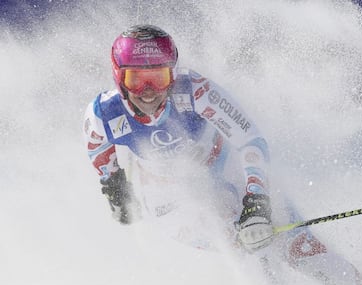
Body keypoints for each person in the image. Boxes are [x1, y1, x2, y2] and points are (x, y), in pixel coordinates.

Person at [83, 24, 274, 252]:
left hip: (223, 167)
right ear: (118, 78)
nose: (148, 91)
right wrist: (115, 187)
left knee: (270, 236)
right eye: (135, 80)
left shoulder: (196, 91)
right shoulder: (104, 114)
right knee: (239, 246)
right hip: (167, 198)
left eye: (158, 78)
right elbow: (97, 148)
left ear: (173, 74)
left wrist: (257, 201)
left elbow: (248, 140)